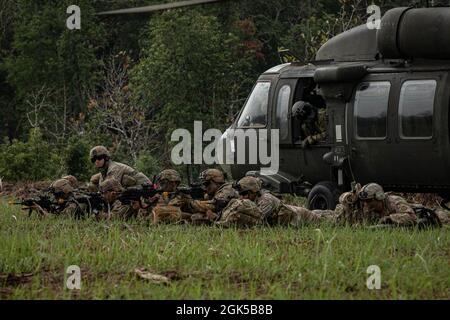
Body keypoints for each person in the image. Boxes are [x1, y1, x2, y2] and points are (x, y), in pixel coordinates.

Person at [334, 183, 447, 227]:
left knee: (442, 217)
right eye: (364, 201)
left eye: (369, 201)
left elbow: (410, 216)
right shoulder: (365, 206)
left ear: (379, 198)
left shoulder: (394, 201)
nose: (366, 204)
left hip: (421, 213)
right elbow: (343, 202)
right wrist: (349, 197)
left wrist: (390, 219)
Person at [234, 176, 332, 226]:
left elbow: (258, 221)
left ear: (253, 191)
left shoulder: (266, 200)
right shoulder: (254, 199)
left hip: (300, 217)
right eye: (240, 195)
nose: (241, 198)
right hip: (294, 216)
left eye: (244, 194)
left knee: (332, 220)